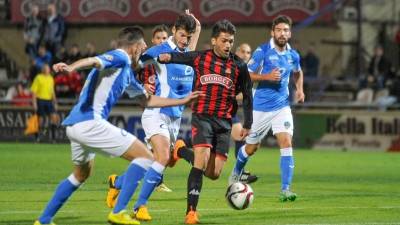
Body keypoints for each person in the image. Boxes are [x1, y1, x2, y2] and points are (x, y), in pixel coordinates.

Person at [33, 26, 201, 225]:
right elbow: (95, 61)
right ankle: (119, 211)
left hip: (75, 126)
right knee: (146, 157)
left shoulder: (127, 72)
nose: (146, 46)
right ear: (134, 46)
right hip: (90, 122)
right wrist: (70, 67)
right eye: (143, 43)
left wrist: (182, 101)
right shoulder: (120, 56)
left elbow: (147, 101)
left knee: (80, 174)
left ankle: (43, 220)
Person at [106, 11, 201, 221]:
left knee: (153, 162)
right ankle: (140, 206)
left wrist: (196, 23)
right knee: (163, 157)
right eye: (183, 35)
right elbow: (134, 65)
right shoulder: (159, 51)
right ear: (174, 31)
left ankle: (117, 182)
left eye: (189, 36)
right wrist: (142, 85)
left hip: (175, 117)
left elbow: (194, 36)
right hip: (156, 112)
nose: (186, 40)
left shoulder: (187, 52)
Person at [158, 19, 253, 224]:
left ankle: (181, 150)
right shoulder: (201, 58)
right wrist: (165, 57)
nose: (228, 45)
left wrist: (248, 123)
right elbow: (181, 57)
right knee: (200, 162)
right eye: (224, 40)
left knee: (214, 173)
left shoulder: (239, 66)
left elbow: (247, 95)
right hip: (202, 117)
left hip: (224, 123)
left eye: (231, 41)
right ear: (214, 41)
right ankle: (191, 212)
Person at [228, 15, 305, 202]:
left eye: (286, 30)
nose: (282, 33)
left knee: (286, 142)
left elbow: (297, 72)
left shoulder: (292, 55)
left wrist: (300, 90)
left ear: (290, 33)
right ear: (273, 32)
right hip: (260, 108)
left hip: (282, 107)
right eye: (279, 30)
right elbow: (247, 74)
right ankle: (236, 171)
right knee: (251, 148)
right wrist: (267, 77)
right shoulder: (262, 51)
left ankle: (285, 189)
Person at [30, 64, 58, 142]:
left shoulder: (50, 78)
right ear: (42, 70)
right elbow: (34, 92)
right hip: (40, 100)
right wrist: (34, 103)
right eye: (45, 68)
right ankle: (37, 137)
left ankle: (53, 138)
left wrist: (55, 102)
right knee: (40, 120)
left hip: (49, 101)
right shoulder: (38, 78)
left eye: (48, 68)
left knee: (54, 118)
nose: (46, 70)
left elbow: (52, 91)